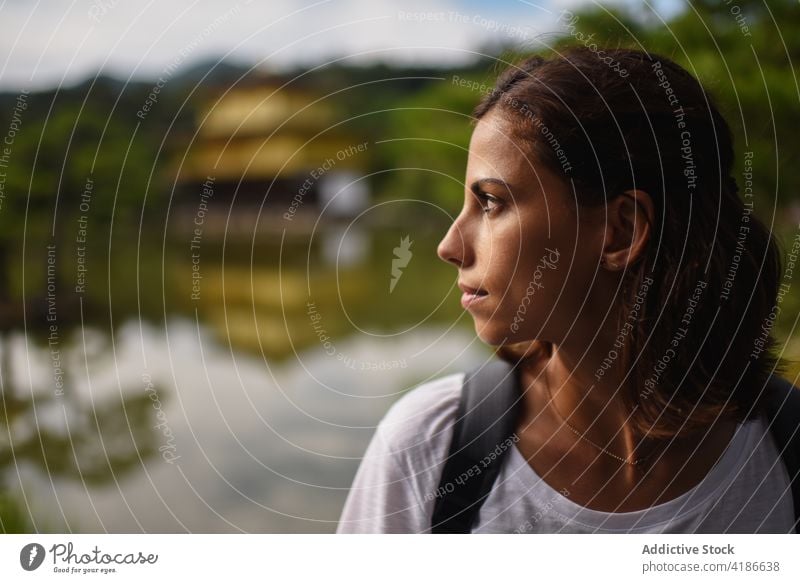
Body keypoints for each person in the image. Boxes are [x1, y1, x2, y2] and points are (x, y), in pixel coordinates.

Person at [336, 47, 795, 533]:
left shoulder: (786, 455)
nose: (449, 246)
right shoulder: (431, 446)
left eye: (490, 202)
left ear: (620, 230)